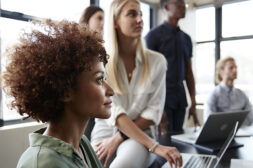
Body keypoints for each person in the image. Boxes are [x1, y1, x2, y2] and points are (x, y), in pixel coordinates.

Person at [3, 20, 113, 168]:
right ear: (66, 90)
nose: (111, 91)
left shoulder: (82, 144)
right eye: (99, 79)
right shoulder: (42, 163)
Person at [90, 0, 182, 168]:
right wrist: (113, 139)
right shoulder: (101, 61)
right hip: (104, 135)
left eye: (140, 14)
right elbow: (114, 112)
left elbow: (153, 112)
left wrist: (118, 138)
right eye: (132, 14)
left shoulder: (157, 62)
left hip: (140, 137)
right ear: (116, 22)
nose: (140, 19)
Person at [145, 0, 200, 134]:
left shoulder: (186, 39)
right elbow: (147, 75)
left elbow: (188, 72)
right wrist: (156, 107)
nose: (183, 7)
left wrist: (193, 101)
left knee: (180, 141)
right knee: (164, 143)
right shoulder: (152, 36)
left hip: (180, 100)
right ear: (166, 7)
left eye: (184, 4)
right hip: (161, 100)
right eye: (178, 3)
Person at [204, 57, 253, 126]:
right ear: (221, 71)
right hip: (222, 135)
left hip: (242, 133)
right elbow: (208, 121)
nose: (235, 70)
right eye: (231, 68)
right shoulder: (214, 94)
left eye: (236, 67)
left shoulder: (241, 94)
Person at [79, 5, 105, 140]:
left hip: (99, 102)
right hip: (84, 103)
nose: (103, 23)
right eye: (99, 18)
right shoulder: (78, 46)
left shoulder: (101, 47)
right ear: (87, 19)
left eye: (104, 19)